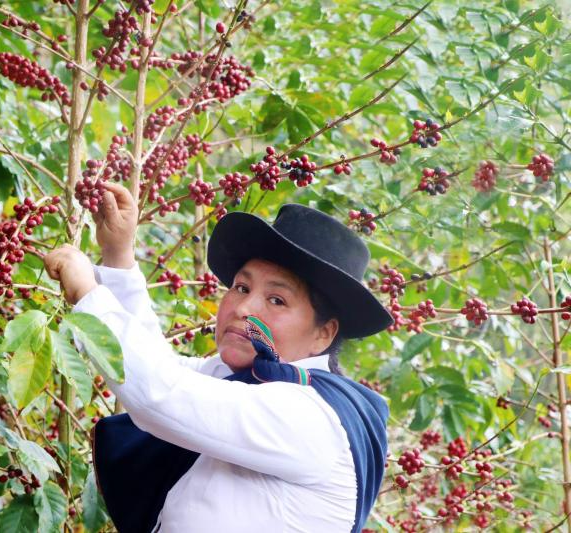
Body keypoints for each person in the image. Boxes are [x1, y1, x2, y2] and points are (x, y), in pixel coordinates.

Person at [44, 182, 393, 533]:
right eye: (242, 288)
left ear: (324, 334)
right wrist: (118, 258)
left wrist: (88, 294)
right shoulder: (247, 379)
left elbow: (163, 394)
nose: (243, 308)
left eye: (277, 301)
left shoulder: (310, 417)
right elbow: (156, 365)